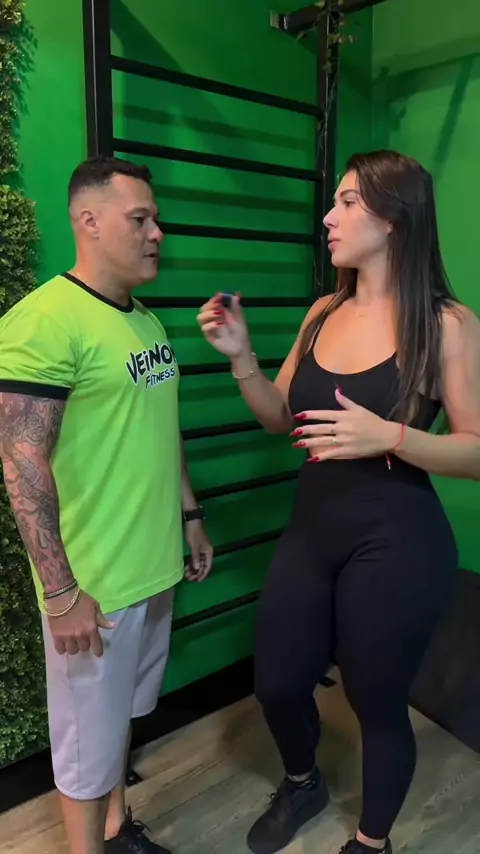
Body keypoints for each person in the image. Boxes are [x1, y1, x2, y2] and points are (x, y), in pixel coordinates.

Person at [197, 149, 480, 854]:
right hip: (314, 529)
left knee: (375, 700)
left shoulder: (445, 324)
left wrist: (393, 436)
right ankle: (303, 782)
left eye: (347, 202)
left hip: (398, 538)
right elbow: (279, 418)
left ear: (393, 220)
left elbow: (476, 451)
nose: (328, 216)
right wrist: (241, 358)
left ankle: (370, 841)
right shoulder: (323, 312)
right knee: (278, 682)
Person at [0, 155, 213, 854]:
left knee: (118, 721)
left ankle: (119, 830)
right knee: (84, 753)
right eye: (140, 219)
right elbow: (20, 459)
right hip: (95, 588)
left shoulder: (146, 323)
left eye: (157, 220)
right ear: (89, 221)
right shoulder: (43, 322)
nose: (157, 234)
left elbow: (161, 430)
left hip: (154, 568)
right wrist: (62, 593)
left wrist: (190, 516)